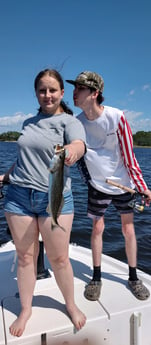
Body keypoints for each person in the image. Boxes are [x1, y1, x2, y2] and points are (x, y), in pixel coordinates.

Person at [0, 69, 86, 337]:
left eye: (52, 90)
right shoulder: (27, 123)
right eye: (42, 90)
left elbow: (79, 144)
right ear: (37, 94)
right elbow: (25, 161)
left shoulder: (68, 122)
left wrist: (72, 151)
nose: (47, 95)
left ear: (61, 93)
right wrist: (6, 176)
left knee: (59, 258)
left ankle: (70, 304)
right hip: (18, 197)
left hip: (55, 197)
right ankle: (26, 309)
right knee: (26, 257)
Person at [66, 71, 151, 301]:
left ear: (95, 93)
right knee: (97, 229)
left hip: (123, 183)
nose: (74, 92)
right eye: (75, 88)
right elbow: (77, 153)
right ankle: (96, 277)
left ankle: (133, 277)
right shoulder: (77, 123)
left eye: (80, 89)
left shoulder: (117, 118)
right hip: (97, 185)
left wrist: (142, 186)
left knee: (128, 229)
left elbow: (129, 155)